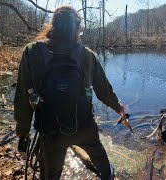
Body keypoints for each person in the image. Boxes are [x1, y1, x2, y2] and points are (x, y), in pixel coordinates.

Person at [14, 5, 124, 180]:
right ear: (77, 29)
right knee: (101, 160)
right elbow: (103, 91)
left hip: (50, 132)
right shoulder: (87, 55)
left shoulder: (31, 52)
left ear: (53, 25)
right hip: (85, 127)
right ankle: (107, 174)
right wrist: (118, 107)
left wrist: (23, 129)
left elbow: (22, 96)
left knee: (50, 175)